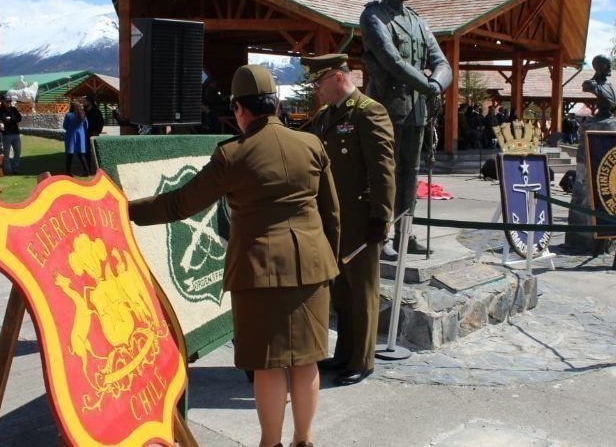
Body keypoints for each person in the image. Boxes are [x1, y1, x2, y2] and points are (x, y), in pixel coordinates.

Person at [129, 64, 340, 447]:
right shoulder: (311, 145)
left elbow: (180, 204)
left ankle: (270, 443)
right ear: (275, 104)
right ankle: (304, 440)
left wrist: (125, 208)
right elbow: (332, 215)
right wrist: (328, 260)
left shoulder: (232, 154)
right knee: (307, 359)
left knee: (268, 363)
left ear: (240, 110)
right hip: (312, 265)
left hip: (259, 271)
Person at [304, 53, 395, 386]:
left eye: (319, 82)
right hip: (330, 219)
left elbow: (383, 170)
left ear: (337, 77)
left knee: (363, 292)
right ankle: (343, 354)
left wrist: (381, 217)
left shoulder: (369, 112)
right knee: (341, 292)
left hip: (359, 219)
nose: (316, 90)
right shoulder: (327, 116)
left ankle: (362, 360)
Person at [360, 0, 452, 258]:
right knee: (384, 173)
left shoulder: (418, 22)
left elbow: (443, 62)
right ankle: (382, 234)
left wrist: (437, 84)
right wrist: (428, 86)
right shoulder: (373, 16)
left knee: (409, 173)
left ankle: (405, 234)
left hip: (416, 110)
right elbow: (392, 60)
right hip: (386, 108)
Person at [581, 55, 616, 120]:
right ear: (598, 67)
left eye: (610, 65)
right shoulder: (590, 84)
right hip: (600, 118)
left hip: (608, 117)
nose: (610, 67)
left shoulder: (609, 85)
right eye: (607, 65)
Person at [63, 100, 90, 176]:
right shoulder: (83, 115)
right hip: (80, 136)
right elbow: (86, 126)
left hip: (71, 136)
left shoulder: (69, 115)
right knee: (81, 154)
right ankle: (86, 171)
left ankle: (68, 172)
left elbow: (65, 126)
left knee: (69, 154)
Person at [0, 97, 22, 174]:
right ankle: (8, 170)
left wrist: (10, 119)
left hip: (15, 133)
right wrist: (12, 120)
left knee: (17, 152)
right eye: (7, 101)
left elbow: (19, 118)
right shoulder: (0, 110)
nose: (9, 103)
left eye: (10, 101)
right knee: (6, 153)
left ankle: (16, 169)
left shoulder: (13, 109)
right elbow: (3, 120)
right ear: (3, 102)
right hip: (6, 134)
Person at [83, 94, 105, 168]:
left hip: (94, 133)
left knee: (95, 150)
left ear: (89, 102)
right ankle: (88, 167)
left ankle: (98, 166)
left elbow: (101, 122)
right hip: (85, 133)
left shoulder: (96, 111)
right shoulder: (84, 111)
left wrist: (97, 131)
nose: (84, 102)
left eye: (85, 101)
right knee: (86, 150)